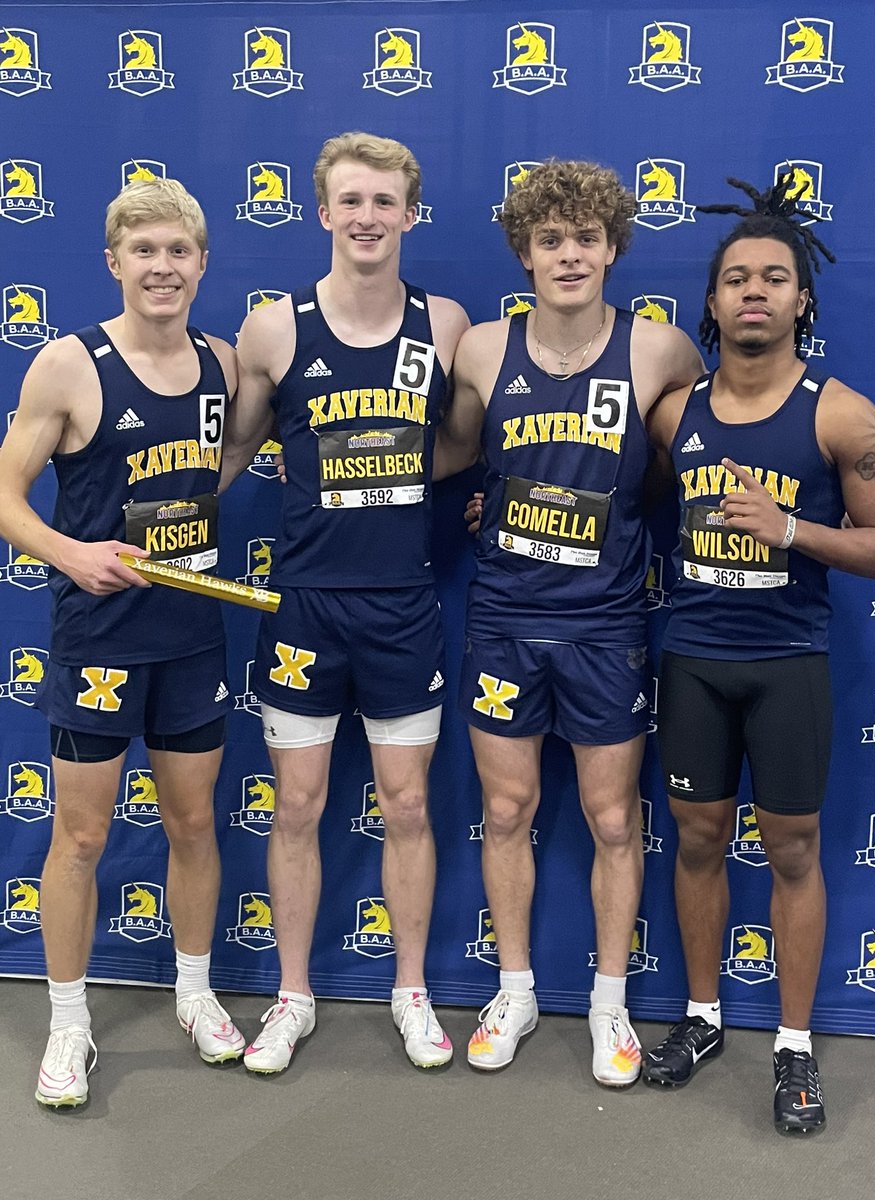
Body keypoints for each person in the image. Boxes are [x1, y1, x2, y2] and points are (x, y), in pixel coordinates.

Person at [642, 175, 875, 1133]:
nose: (755, 291)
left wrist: (792, 530)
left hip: (789, 659)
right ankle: (703, 1016)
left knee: (791, 848)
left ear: (802, 299)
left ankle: (793, 1045)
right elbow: (622, 503)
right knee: (699, 837)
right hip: (695, 658)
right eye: (737, 278)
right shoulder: (674, 413)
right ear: (711, 302)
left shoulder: (843, 415)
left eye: (774, 278)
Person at [219, 132, 471, 1074]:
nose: (368, 218)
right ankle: (292, 997)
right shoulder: (274, 329)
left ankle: (410, 991)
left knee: (406, 806)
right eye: (351, 201)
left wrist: (392, 477)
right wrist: (157, 520)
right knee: (298, 805)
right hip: (305, 611)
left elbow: (459, 446)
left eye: (385, 201)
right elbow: (236, 454)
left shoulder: (444, 323)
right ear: (323, 213)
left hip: (404, 605)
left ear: (410, 213)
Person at [451, 159, 703, 1084]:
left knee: (609, 818)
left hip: (606, 628)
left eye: (585, 238)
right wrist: (490, 500)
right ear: (523, 251)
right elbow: (453, 455)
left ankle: (609, 1003)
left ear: (612, 247)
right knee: (507, 809)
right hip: (505, 619)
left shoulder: (659, 349)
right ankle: (515, 989)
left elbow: (708, 441)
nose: (569, 254)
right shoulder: (480, 349)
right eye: (550, 239)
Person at [0, 178, 243, 1109]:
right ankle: (68, 1022)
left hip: (189, 640)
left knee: (192, 823)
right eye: (143, 251)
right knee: (82, 835)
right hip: (98, 639)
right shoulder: (69, 364)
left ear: (202, 262)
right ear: (114, 262)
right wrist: (71, 552)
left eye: (178, 250)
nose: (162, 267)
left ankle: (192, 991)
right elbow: (8, 492)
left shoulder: (221, 363)